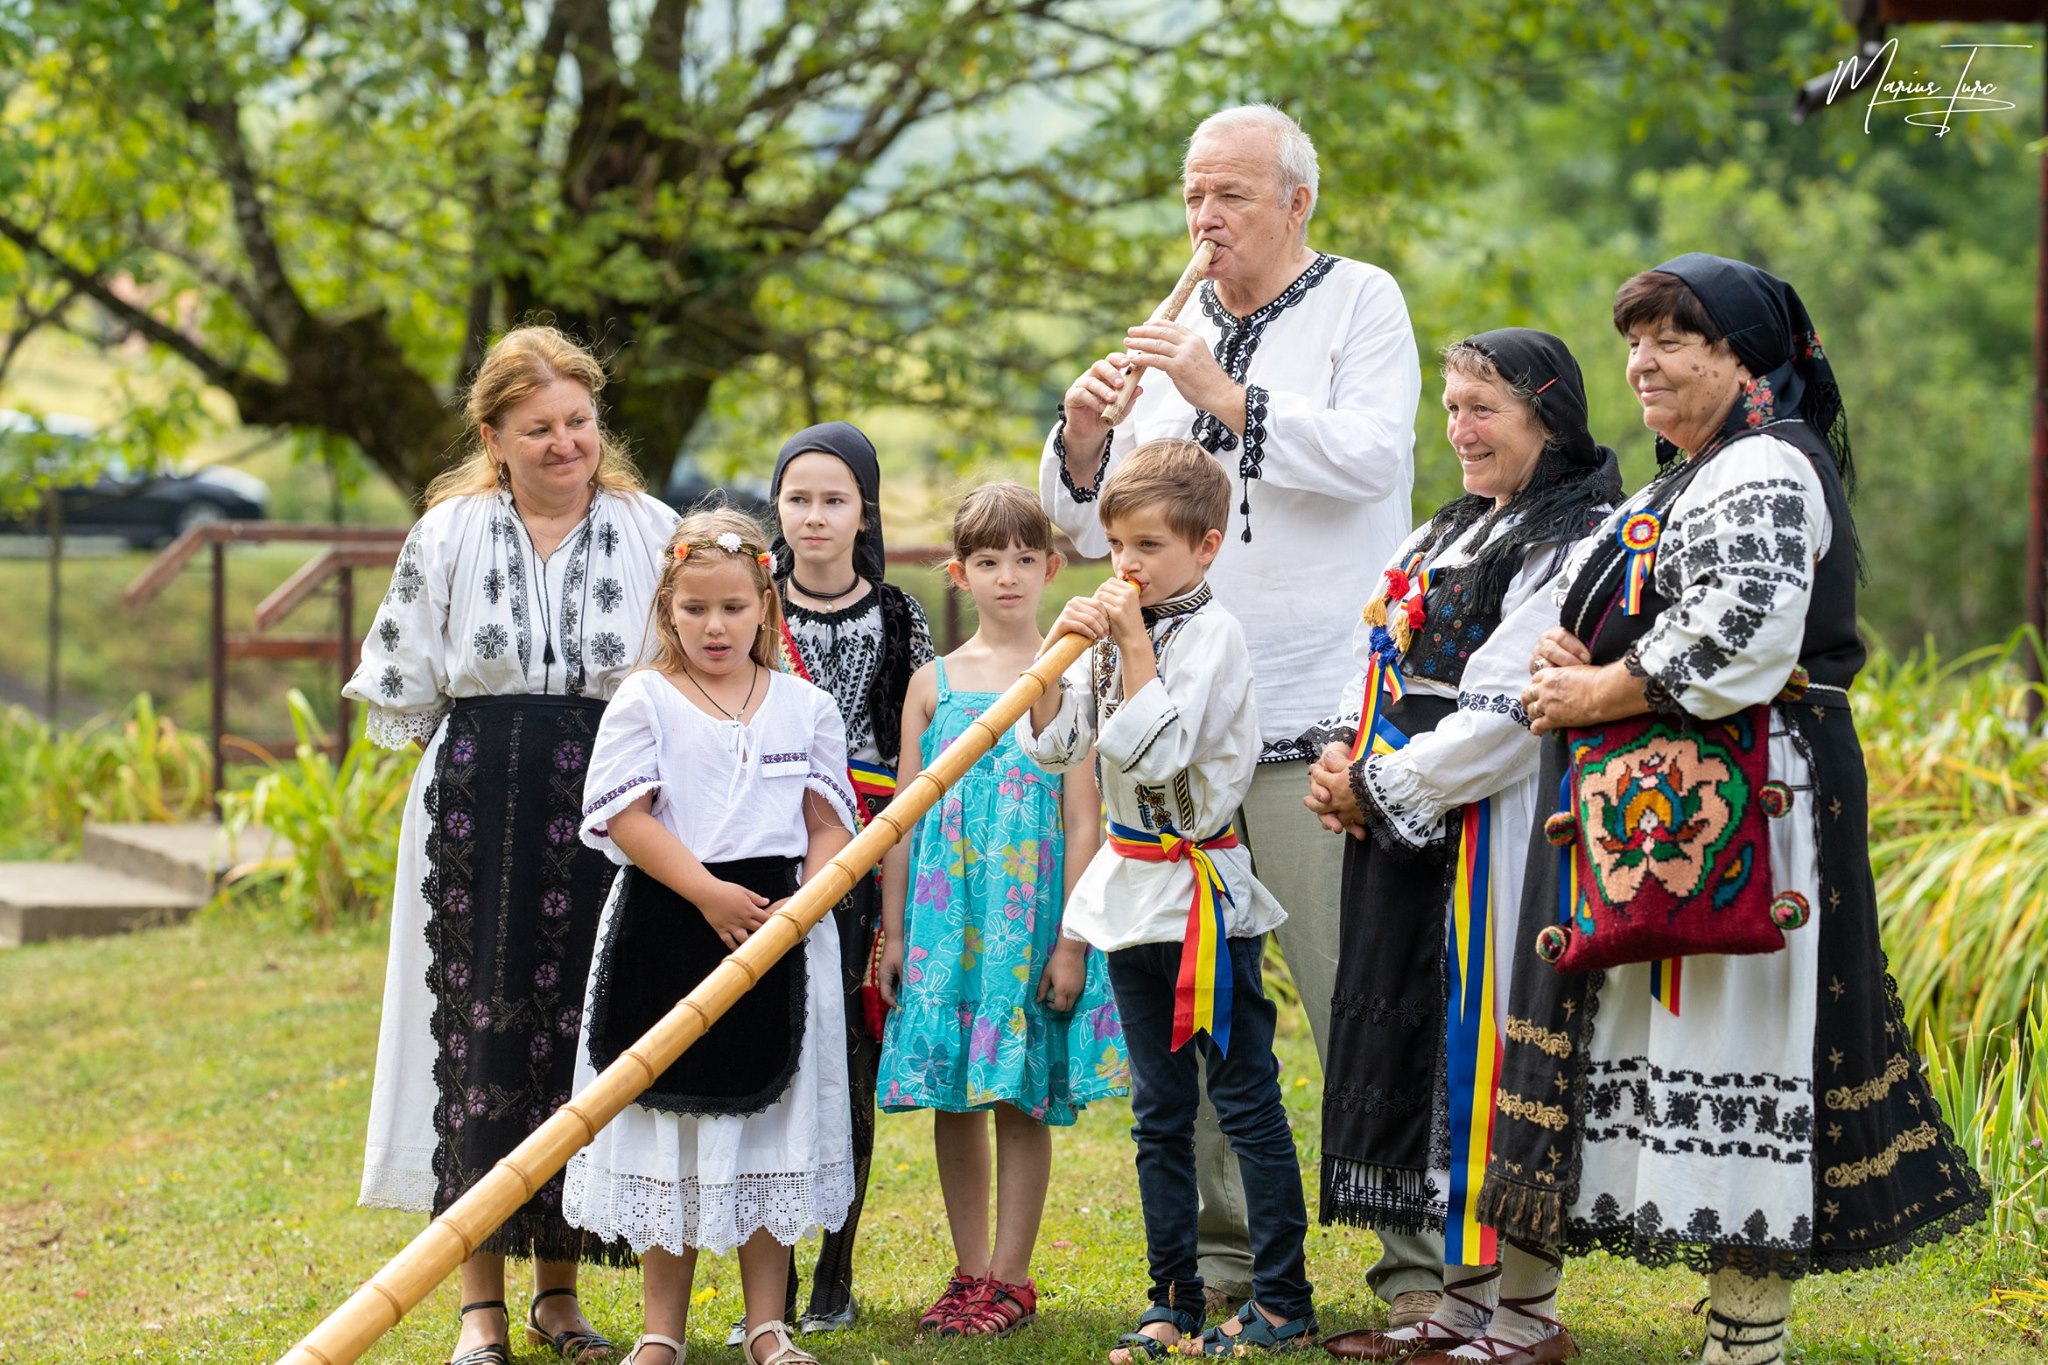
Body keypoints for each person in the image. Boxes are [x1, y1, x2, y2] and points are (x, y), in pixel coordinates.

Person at [1484, 255, 1987, 1365]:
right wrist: (1582, 647)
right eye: (1633, 340)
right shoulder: (1692, 474)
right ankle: (1714, 1328)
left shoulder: (1759, 464)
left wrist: (1595, 687)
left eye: (1675, 339)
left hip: (1754, 811)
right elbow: (1654, 611)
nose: (1642, 363)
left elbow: (1738, 635)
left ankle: (1745, 1339)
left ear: (1743, 357)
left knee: (1743, 1049)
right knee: (1683, 1052)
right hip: (1679, 807)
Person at [1040, 103, 1434, 1320]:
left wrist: (1222, 392)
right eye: (1193, 196)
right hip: (1180, 746)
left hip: (1324, 716)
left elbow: (1373, 460)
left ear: (1295, 204)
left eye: (1231, 197)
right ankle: (1218, 1264)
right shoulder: (1171, 327)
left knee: (1351, 998)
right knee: (1199, 1024)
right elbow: (1085, 533)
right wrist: (1082, 437)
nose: (1204, 220)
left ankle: (1416, 1273)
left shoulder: (1359, 301)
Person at [344, 325, 680, 1365]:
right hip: (478, 807)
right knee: (480, 1040)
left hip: (611, 798)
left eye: (579, 422)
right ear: (493, 436)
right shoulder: (447, 535)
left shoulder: (649, 528)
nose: (564, 443)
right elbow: (406, 690)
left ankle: (561, 1296)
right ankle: (477, 1306)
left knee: (583, 1040)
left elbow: (694, 667)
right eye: (538, 428)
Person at [1300, 332, 1621, 1364]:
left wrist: (1380, 785)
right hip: (1411, 828)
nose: (1458, 427)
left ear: (1547, 417)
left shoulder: (1574, 536)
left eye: (1482, 406)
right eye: (1450, 406)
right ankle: (1458, 1301)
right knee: (1436, 1056)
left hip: (1503, 825)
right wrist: (1341, 757)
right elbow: (1378, 662)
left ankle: (1527, 1315)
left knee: (1500, 1052)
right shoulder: (1451, 528)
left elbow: (1506, 711)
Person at [1019, 439, 1317, 1362]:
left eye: (1149, 544)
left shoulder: (1212, 637)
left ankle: (1282, 1299)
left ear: (1208, 546)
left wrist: (1132, 642)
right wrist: (1055, 654)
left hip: (1201, 900)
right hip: (1129, 893)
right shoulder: (1117, 634)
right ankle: (1172, 1295)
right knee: (1158, 1109)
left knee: (1244, 1101)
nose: (1129, 565)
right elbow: (1058, 746)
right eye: (1116, 546)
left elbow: (1160, 755)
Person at [562, 509, 859, 1365]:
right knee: (675, 1132)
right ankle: (664, 1329)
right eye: (695, 609)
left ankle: (769, 1323)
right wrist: (705, 892)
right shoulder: (646, 697)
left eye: (733, 607)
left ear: (767, 604)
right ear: (668, 608)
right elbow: (625, 813)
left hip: (779, 930)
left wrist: (805, 900)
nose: (715, 626)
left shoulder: (806, 705)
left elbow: (827, 816)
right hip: (670, 920)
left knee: (769, 1126)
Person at [875, 481, 1126, 1336]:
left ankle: (1012, 1278)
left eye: (1026, 557)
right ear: (960, 572)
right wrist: (898, 928)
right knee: (955, 1091)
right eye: (989, 559)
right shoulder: (930, 685)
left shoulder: (1063, 673)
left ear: (1054, 566)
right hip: (949, 920)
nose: (1009, 575)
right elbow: (902, 818)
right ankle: (968, 1269)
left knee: (1019, 1092)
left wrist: (1071, 941)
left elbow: (1083, 814)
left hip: (1030, 915)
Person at [766, 420, 935, 1332]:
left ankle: (835, 1269)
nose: (816, 517)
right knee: (777, 1055)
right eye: (799, 499)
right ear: (778, 507)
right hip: (767, 856)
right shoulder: (752, 604)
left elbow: (920, 750)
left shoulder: (901, 615)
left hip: (868, 862)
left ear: (863, 508)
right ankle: (773, 1278)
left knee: (848, 1063)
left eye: (835, 500)